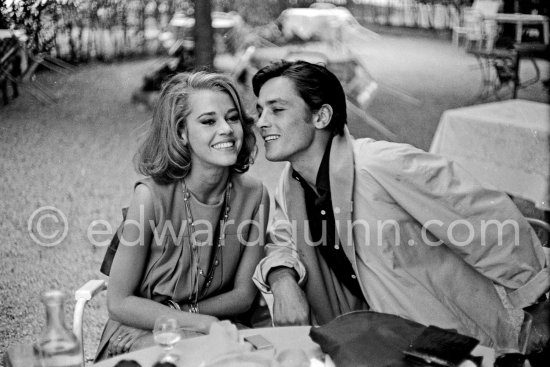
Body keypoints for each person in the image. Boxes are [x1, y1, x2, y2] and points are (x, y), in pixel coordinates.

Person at [251, 60, 549, 357]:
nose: (261, 121)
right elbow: (281, 237)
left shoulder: (379, 165)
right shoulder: (291, 184)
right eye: (260, 110)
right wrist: (281, 279)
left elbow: (481, 216)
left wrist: (536, 300)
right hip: (372, 345)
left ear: (321, 116)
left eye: (277, 110)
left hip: (449, 342)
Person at [96, 71, 269, 360]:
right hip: (138, 331)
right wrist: (197, 323)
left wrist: (178, 318)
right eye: (208, 121)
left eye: (233, 117)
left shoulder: (255, 194)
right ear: (181, 132)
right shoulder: (150, 197)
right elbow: (119, 301)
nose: (226, 128)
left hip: (211, 327)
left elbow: (243, 295)